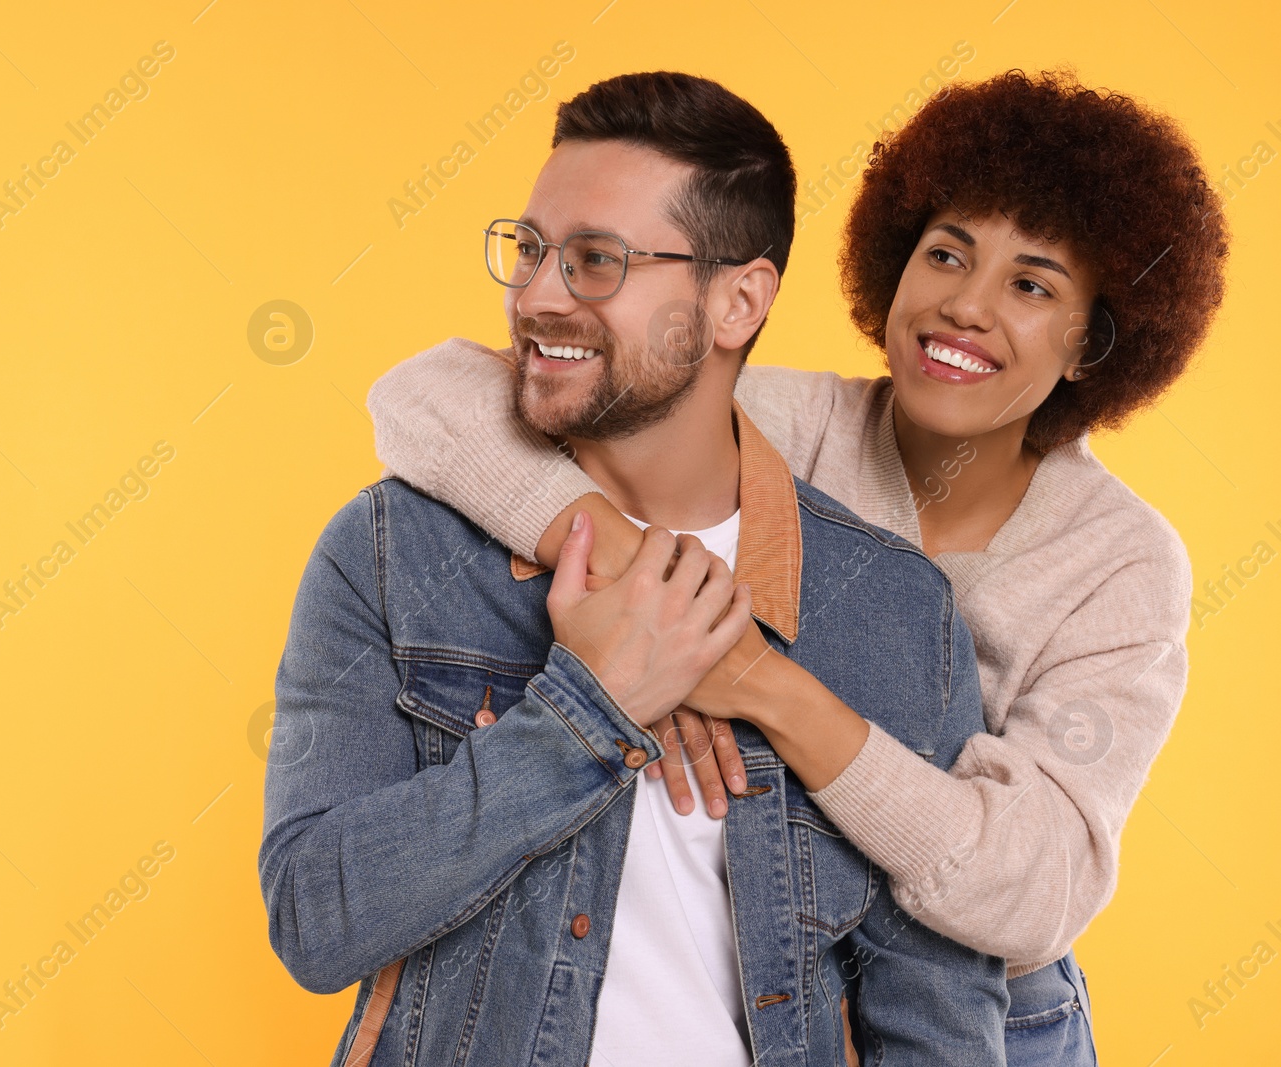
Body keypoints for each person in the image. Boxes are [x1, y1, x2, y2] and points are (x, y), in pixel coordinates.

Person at [365, 69, 1229, 1064]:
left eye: (1030, 284)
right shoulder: (773, 423)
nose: (964, 306)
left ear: (1093, 340)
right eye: (944, 254)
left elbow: (1029, 887)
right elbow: (426, 396)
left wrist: (762, 686)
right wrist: (626, 556)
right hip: (774, 969)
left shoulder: (1117, 564)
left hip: (988, 1015)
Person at [262, 71, 1013, 1066]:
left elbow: (938, 1017)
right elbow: (318, 919)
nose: (534, 295)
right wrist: (587, 709)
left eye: (595, 261)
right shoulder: (395, 554)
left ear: (737, 299)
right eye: (527, 250)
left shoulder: (888, 612)